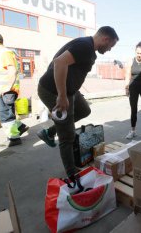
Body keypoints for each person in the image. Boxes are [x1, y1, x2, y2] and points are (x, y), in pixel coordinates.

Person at [36, 26, 119, 180]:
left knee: (84, 110)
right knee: (67, 135)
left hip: (69, 91)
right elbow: (59, 62)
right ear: (105, 39)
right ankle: (72, 174)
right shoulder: (85, 46)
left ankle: (49, 132)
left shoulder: (87, 46)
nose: (109, 50)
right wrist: (61, 95)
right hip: (53, 91)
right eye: (110, 46)